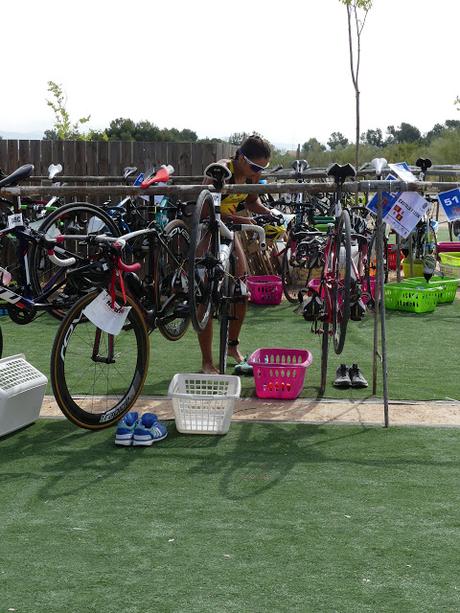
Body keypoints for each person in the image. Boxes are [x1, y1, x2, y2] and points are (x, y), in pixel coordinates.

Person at [198, 134, 274, 374]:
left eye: (263, 168)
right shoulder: (223, 169)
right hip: (208, 228)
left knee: (242, 290)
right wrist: (244, 219)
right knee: (205, 295)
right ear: (240, 157)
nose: (257, 172)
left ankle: (232, 345)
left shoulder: (251, 174)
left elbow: (253, 201)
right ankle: (207, 361)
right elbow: (206, 210)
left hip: (231, 230)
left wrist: (269, 213)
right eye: (254, 166)